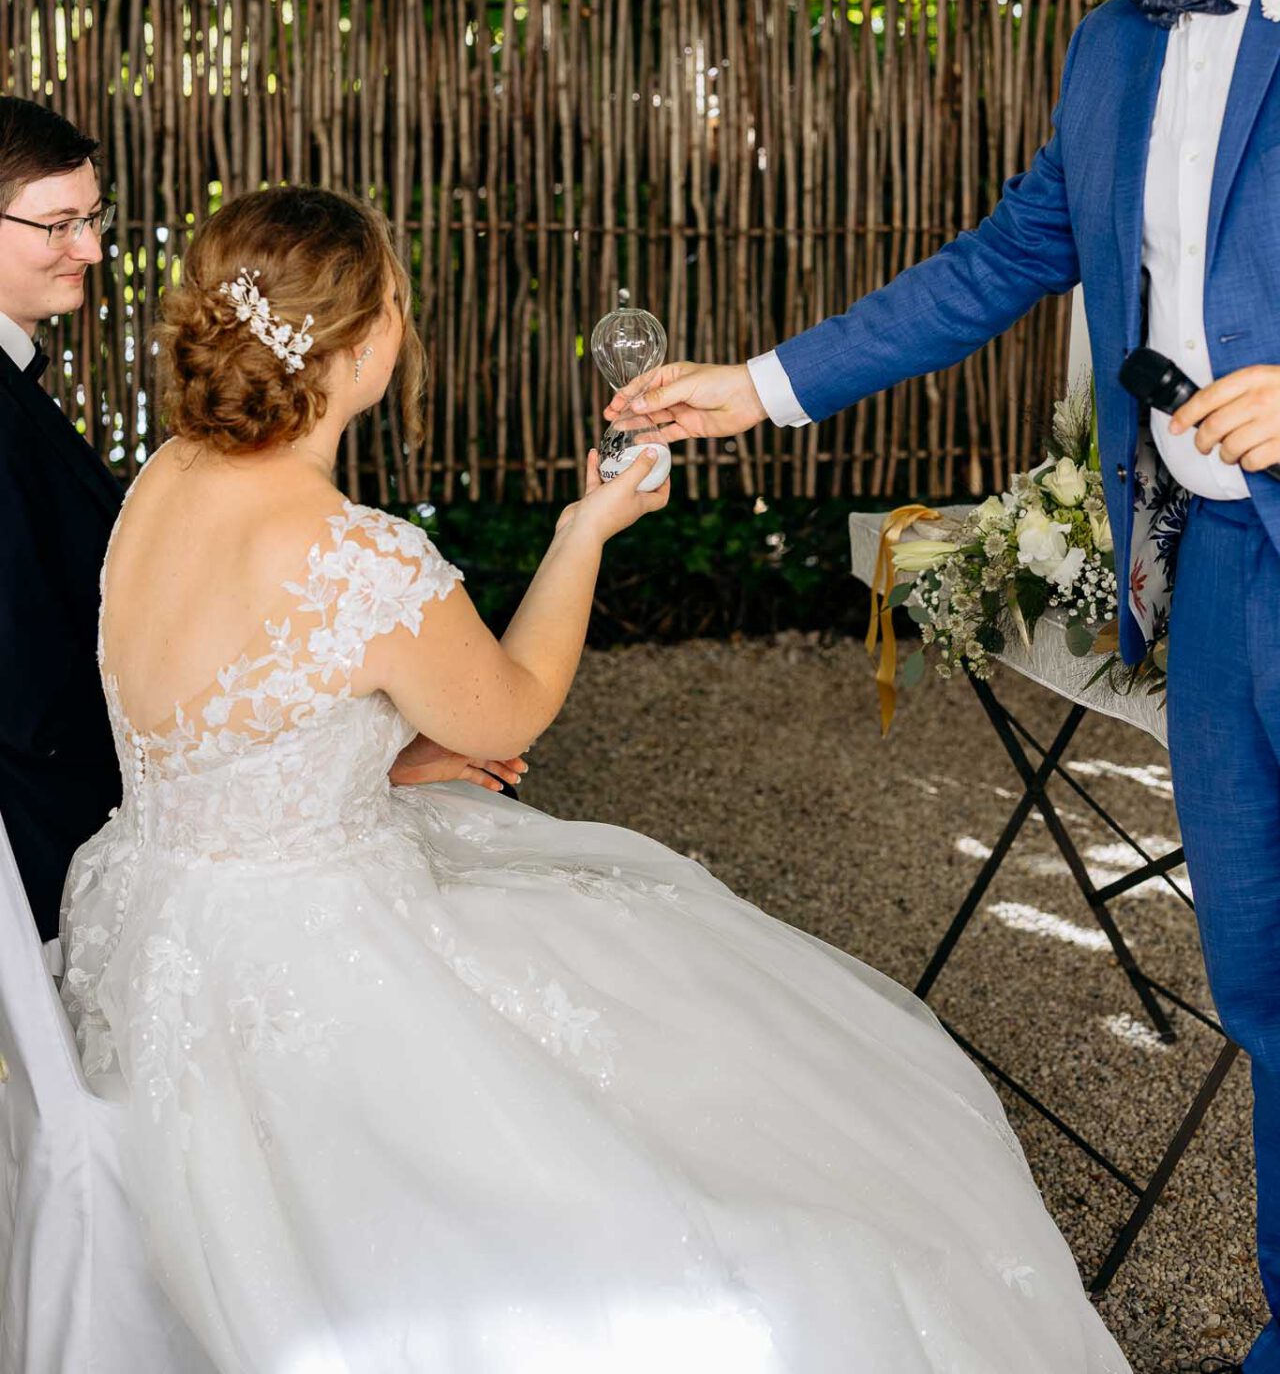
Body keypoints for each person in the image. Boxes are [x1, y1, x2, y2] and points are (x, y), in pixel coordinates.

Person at [61, 182, 1128, 1374]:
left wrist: (382, 753)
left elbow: (216, 710)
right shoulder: (350, 553)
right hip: (309, 955)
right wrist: (585, 528)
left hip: (155, 918)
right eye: (399, 310)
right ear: (362, 348)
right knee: (715, 1085)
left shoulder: (160, 477)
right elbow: (515, 704)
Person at [606, 0, 1280, 1374]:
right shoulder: (1113, 43)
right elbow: (1002, 259)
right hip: (1208, 578)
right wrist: (757, 387)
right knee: (1266, 987)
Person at [0, 96, 122, 946]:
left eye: (93, 217)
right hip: (60, 853)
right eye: (59, 224)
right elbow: (33, 702)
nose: (93, 248)